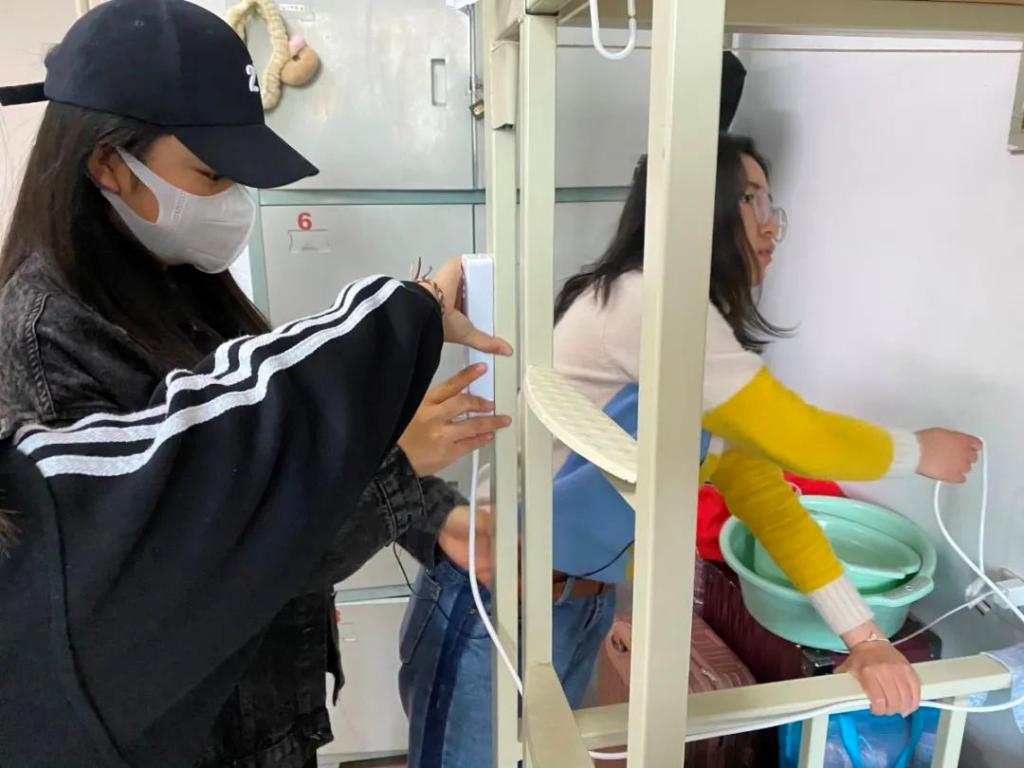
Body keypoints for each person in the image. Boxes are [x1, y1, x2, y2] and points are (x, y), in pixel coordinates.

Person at [0, 1, 507, 766]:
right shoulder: (49, 335)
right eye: (212, 174)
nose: (234, 201)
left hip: (268, 711)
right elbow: (198, 571)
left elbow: (277, 440)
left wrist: (431, 514)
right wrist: (399, 465)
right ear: (108, 164)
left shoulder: (176, 274)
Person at [397, 134, 981, 768]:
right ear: (697, 206)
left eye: (773, 206)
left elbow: (767, 501)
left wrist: (864, 638)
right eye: (753, 201)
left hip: (578, 605)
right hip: (492, 592)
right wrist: (919, 451)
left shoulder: (700, 349)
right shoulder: (640, 300)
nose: (771, 226)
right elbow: (800, 437)